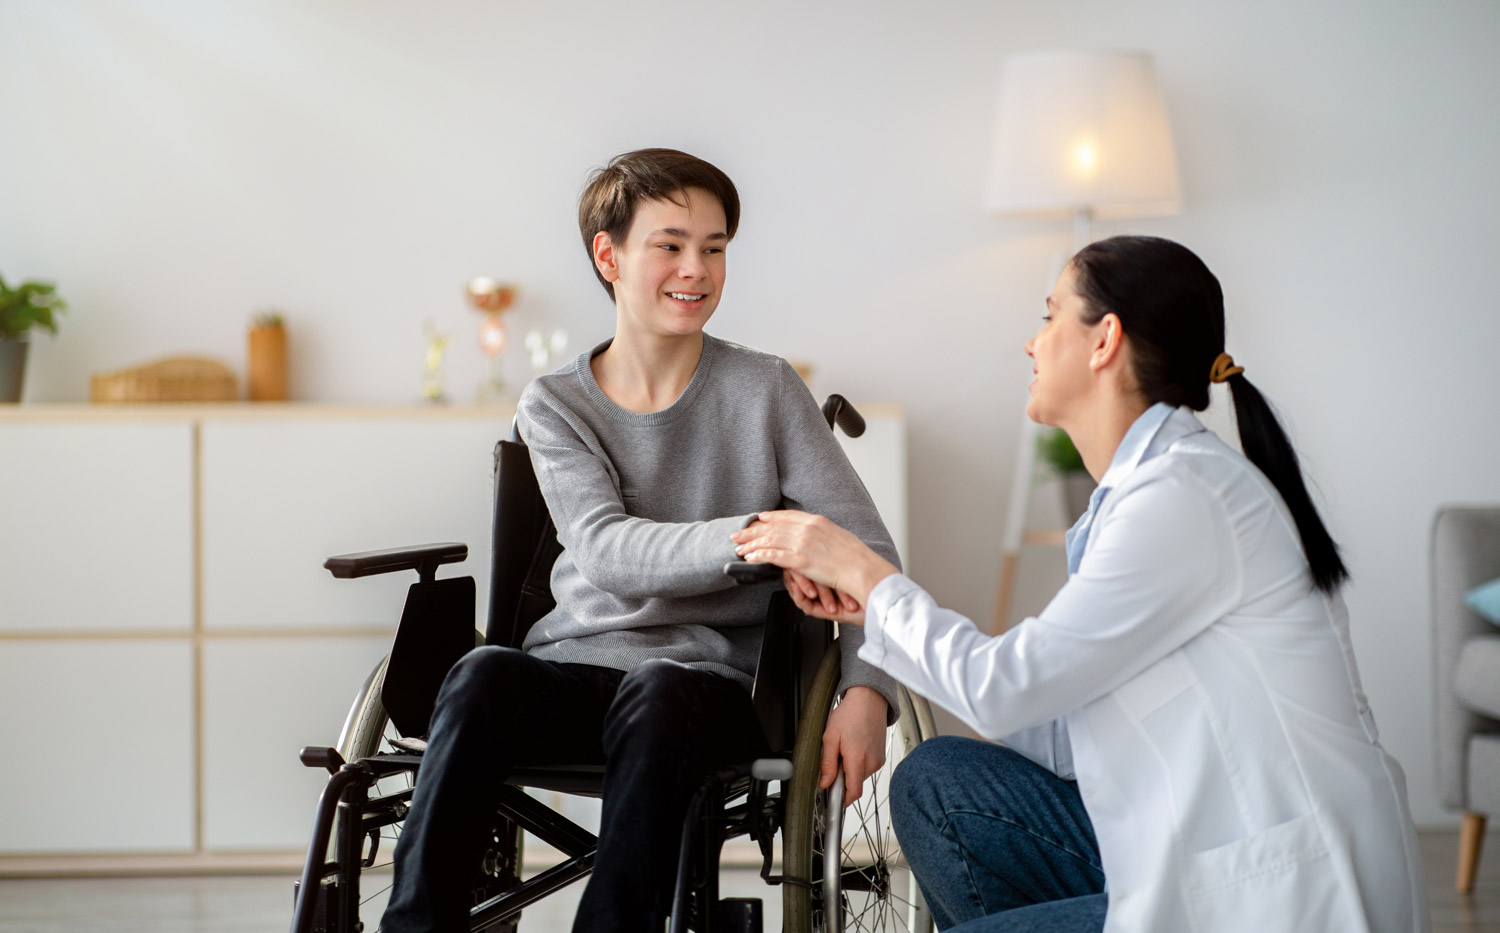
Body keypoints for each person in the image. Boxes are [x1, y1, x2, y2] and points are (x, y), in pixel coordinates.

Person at [732, 235, 1429, 933]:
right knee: (938, 780)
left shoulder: (1181, 499)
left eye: (1049, 316)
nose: (1033, 346)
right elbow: (1064, 736)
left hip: (1283, 898)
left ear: (1105, 341)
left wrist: (864, 570)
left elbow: (1006, 687)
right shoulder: (1145, 493)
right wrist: (875, 610)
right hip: (1196, 854)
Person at [379, 148, 900, 933]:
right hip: (576, 676)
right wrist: (764, 537)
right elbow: (605, 548)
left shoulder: (766, 390)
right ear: (608, 254)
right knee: (482, 671)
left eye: (715, 247)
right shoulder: (555, 404)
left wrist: (866, 690)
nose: (697, 268)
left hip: (710, 689)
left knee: (660, 687)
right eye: (671, 244)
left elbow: (867, 557)